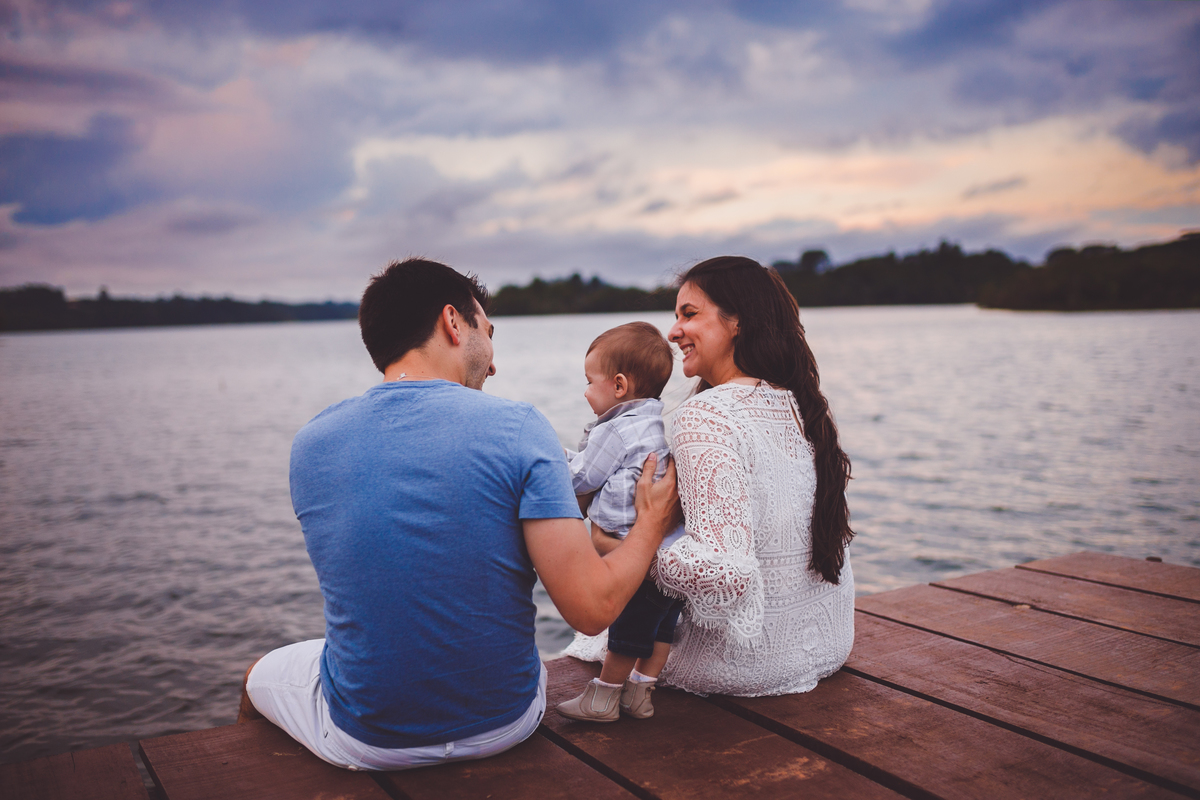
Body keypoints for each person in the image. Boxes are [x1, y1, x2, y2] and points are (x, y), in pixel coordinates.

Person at [236, 258, 681, 771]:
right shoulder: (519, 427)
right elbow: (592, 607)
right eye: (487, 333)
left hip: (369, 738)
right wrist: (649, 523)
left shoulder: (310, 444)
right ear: (453, 322)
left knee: (257, 675)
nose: (492, 364)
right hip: (507, 721)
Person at [653, 255, 856, 696]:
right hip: (832, 644)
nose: (673, 332)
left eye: (689, 314)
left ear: (737, 322)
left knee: (608, 643)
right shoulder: (801, 403)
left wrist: (641, 540)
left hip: (744, 667)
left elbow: (728, 573)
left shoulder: (706, 414)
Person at [555, 322, 686, 722]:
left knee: (627, 633)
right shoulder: (651, 423)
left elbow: (581, 478)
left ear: (618, 385)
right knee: (661, 630)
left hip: (633, 550)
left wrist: (551, 457)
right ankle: (639, 696)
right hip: (669, 550)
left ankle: (604, 699)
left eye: (589, 381)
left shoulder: (616, 429)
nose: (585, 390)